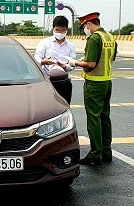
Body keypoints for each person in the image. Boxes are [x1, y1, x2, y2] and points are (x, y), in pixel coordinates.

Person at [66, 12, 118, 166]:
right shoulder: (109, 37)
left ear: (89, 24)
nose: (85, 29)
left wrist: (74, 62)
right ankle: (106, 151)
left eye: (84, 26)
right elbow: (110, 58)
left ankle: (95, 154)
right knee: (104, 117)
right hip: (107, 82)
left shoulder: (94, 38)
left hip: (94, 83)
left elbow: (91, 64)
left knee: (93, 118)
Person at [33, 15, 77, 104]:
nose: (60, 33)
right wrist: (43, 61)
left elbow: (72, 64)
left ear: (66, 30)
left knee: (64, 106)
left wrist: (65, 66)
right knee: (46, 107)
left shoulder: (70, 45)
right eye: (57, 30)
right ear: (53, 29)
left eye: (62, 30)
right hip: (47, 81)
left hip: (64, 82)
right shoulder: (44, 42)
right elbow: (36, 58)